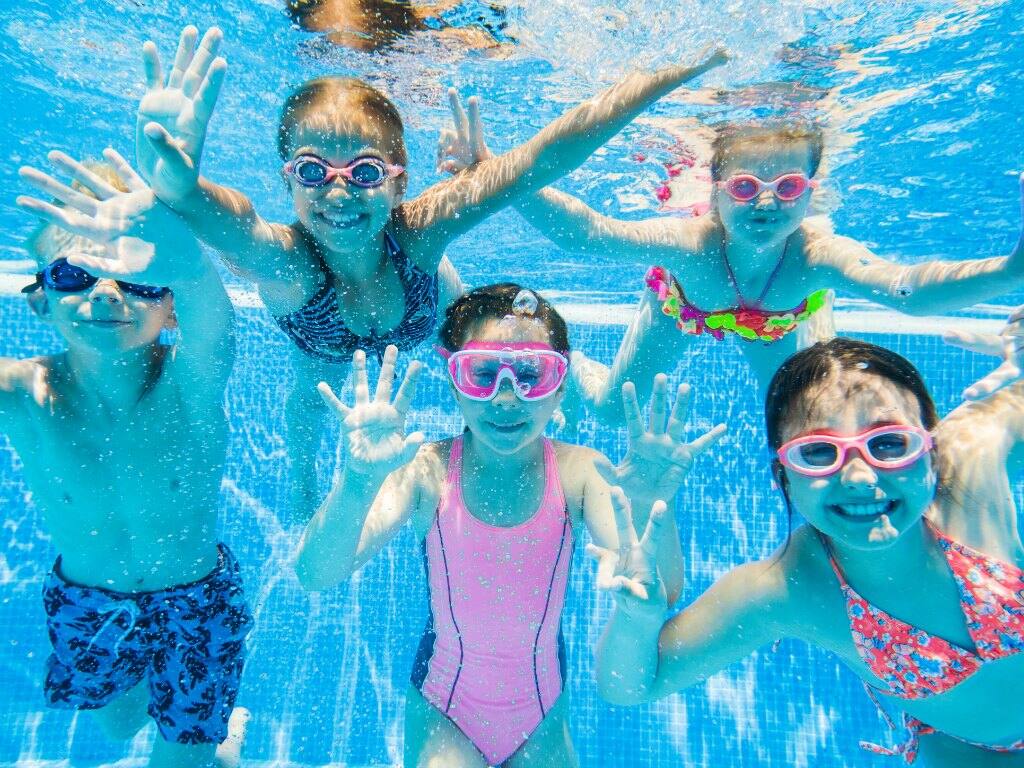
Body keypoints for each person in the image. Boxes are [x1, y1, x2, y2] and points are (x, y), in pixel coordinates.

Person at [132, 25, 727, 515]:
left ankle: (560, 375)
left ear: (399, 181)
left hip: (431, 307)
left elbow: (539, 159)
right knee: (309, 402)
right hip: (324, 345)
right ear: (287, 180)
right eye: (313, 171)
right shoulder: (290, 262)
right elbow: (233, 224)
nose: (338, 193)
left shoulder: (418, 232)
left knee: (487, 345)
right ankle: (301, 477)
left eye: (364, 172)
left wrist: (659, 79)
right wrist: (181, 184)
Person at [293, 283, 725, 766]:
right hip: (443, 709)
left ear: (559, 386)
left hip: (542, 715)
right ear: (453, 379)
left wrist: (646, 504)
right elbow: (315, 573)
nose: (505, 398)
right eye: (481, 374)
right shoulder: (424, 473)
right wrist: (357, 483)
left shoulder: (581, 473)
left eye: (530, 375)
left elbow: (656, 586)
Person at [589, 327, 1024, 767]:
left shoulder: (975, 455)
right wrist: (635, 619)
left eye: (889, 443)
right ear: (784, 476)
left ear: (931, 449)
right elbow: (629, 686)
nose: (859, 477)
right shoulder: (787, 588)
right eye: (817, 453)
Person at [438, 99, 1024, 425]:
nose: (767, 202)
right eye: (746, 187)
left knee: (813, 413)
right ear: (715, 188)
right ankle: (583, 364)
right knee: (618, 412)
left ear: (812, 191)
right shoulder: (693, 244)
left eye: (789, 186)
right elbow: (590, 234)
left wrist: (1008, 272)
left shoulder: (816, 253)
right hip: (684, 309)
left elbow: (903, 287)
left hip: (782, 319)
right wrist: (497, 175)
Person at [11, 150, 253, 768]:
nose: (107, 293)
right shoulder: (24, 394)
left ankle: (206, 739)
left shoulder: (191, 382)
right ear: (40, 297)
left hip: (194, 601)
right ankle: (197, 729)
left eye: (139, 278)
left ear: (170, 305)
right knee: (118, 726)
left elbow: (212, 317)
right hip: (88, 605)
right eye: (74, 276)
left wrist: (174, 245)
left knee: (181, 758)